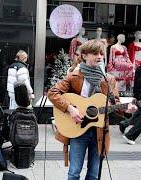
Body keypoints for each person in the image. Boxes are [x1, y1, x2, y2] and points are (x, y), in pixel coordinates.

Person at [47, 40, 137, 180]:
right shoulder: (74, 76)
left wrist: (127, 110)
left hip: (99, 131)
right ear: (84, 55)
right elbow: (53, 93)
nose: (100, 56)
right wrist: (70, 108)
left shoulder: (108, 80)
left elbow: (115, 104)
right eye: (95, 53)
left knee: (94, 174)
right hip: (78, 129)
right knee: (74, 172)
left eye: (101, 53)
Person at [120, 65, 141, 144]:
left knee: (139, 113)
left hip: (139, 95)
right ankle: (130, 135)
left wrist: (136, 96)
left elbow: (136, 84)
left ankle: (125, 123)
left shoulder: (139, 68)